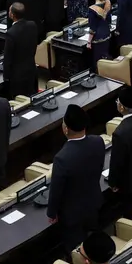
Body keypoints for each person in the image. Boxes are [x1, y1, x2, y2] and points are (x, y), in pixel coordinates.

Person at [47, 104, 107, 254]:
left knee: (75, 250)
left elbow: (56, 190)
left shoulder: (62, 158)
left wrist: (51, 213)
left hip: (72, 214)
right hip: (93, 202)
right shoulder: (98, 141)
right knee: (93, 242)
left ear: (66, 129)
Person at [3, 2, 39, 96]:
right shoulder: (33, 25)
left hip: (17, 76)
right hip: (31, 69)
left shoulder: (11, 33)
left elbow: (8, 58)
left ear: (12, 15)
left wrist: (6, 77)